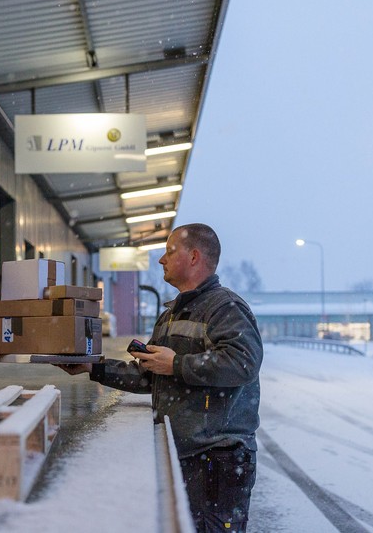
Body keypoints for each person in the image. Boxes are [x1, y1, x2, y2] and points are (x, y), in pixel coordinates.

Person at [58, 223, 262, 532]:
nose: (161, 260)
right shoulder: (171, 315)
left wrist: (177, 364)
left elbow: (244, 363)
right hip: (184, 452)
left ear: (194, 257)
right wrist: (93, 367)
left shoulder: (225, 308)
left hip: (218, 457)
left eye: (169, 252)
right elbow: (150, 375)